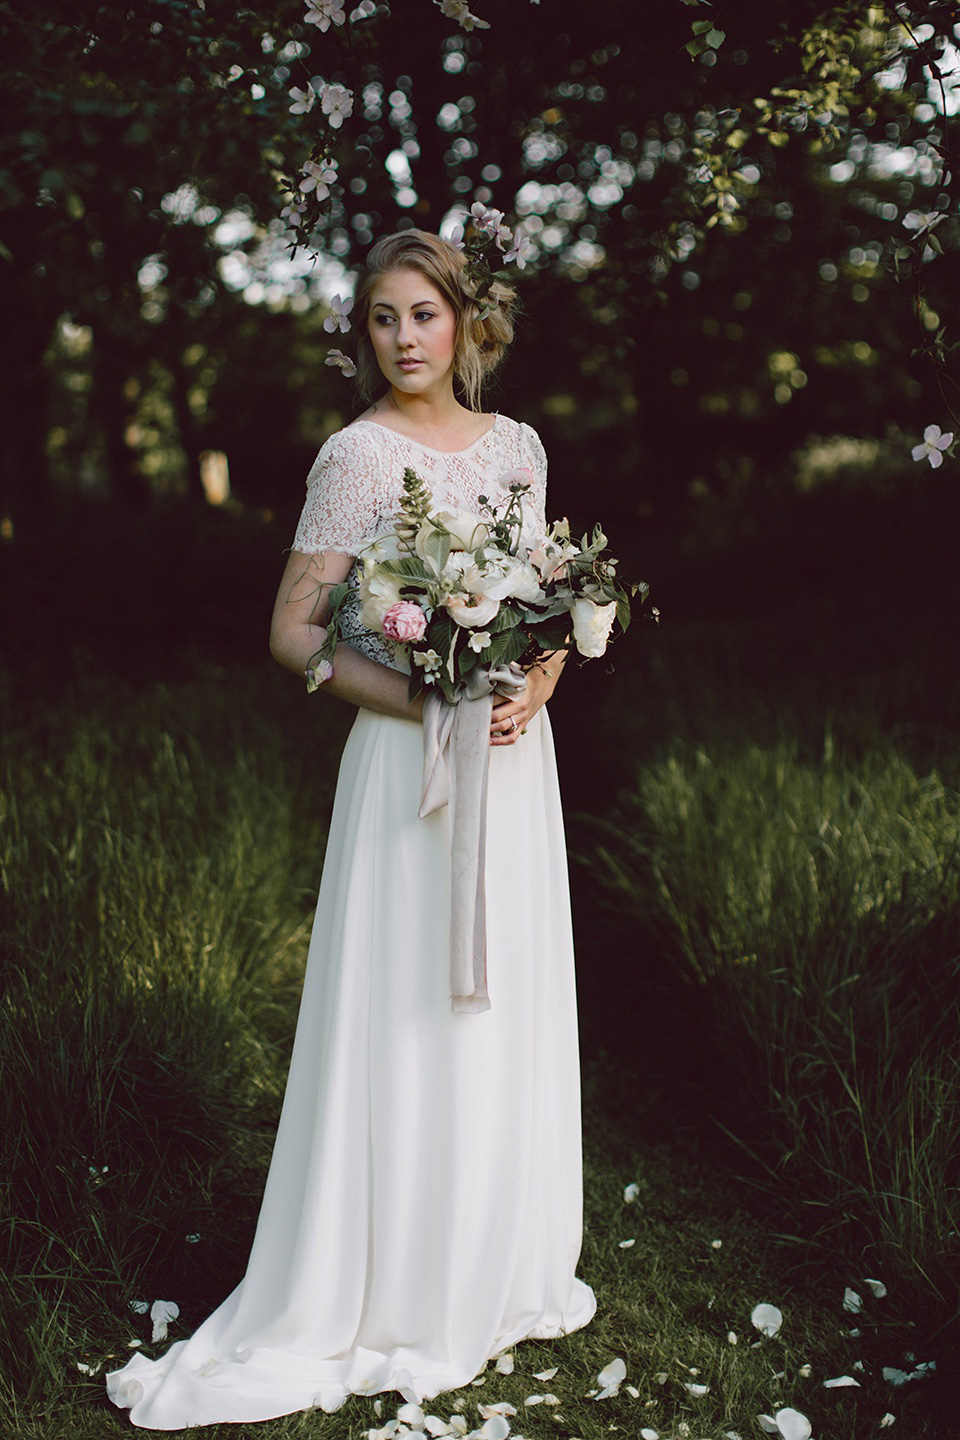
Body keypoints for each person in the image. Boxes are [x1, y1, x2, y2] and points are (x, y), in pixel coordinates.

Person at [106, 229, 596, 1429]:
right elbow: (293, 631)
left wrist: (537, 683)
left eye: (424, 313)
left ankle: (494, 1255)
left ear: (465, 321)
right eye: (383, 318)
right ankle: (387, 1272)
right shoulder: (356, 456)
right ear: (363, 333)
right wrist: (429, 693)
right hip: (408, 767)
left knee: (505, 998)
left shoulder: (520, 449)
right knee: (411, 1001)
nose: (405, 338)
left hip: (515, 767)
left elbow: (557, 604)